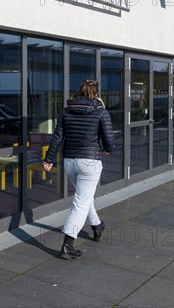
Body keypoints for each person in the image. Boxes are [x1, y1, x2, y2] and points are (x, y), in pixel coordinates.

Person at [43, 79, 113, 259]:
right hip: (90, 161)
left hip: (70, 162)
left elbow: (58, 136)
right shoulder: (100, 111)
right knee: (81, 202)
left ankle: (97, 226)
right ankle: (68, 244)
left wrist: (49, 158)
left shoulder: (67, 110)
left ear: (79, 91)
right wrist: (107, 149)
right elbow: (108, 137)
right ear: (96, 93)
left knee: (84, 197)